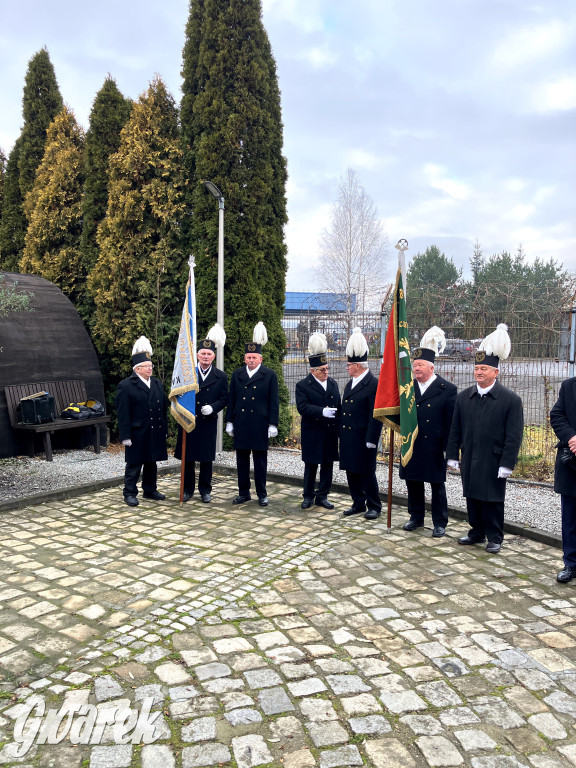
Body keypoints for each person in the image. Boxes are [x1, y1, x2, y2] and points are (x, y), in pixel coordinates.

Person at [446, 324, 524, 554]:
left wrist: (507, 463)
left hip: (494, 459)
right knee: (471, 495)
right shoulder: (464, 397)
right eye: (477, 368)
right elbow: (455, 429)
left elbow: (514, 435)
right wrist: (452, 455)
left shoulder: (510, 400)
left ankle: (494, 536)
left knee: (492, 499)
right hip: (470, 455)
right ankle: (476, 531)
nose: (479, 372)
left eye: (484, 369)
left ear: (495, 373)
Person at [400, 326, 457, 538]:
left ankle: (439, 522)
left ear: (431, 367)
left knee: (436, 485)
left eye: (420, 365)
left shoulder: (447, 389)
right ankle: (415, 517)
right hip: (413, 443)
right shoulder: (408, 389)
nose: (415, 369)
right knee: (413, 482)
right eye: (414, 366)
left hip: (434, 445)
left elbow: (452, 423)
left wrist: (450, 451)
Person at [226, 322, 279, 507]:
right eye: (248, 357)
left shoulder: (269, 375)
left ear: (261, 358)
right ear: (244, 358)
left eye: (254, 357)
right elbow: (231, 398)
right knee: (241, 461)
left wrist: (273, 424)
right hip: (241, 422)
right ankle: (243, 493)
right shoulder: (237, 374)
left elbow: (274, 401)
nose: (251, 360)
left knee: (260, 461)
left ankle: (262, 493)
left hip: (260, 423)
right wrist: (229, 421)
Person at [174, 324, 228, 503]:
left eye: (209, 354)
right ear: (197, 354)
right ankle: (187, 489)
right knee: (188, 457)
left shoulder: (221, 376)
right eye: (203, 353)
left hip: (208, 421)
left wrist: (213, 407)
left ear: (214, 356)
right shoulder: (187, 374)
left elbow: (224, 398)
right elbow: (178, 392)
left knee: (206, 458)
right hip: (189, 418)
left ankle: (205, 489)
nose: (206, 357)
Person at [116, 336, 168, 507]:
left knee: (151, 461)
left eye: (151, 366)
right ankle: (129, 492)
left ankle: (150, 489)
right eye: (147, 367)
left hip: (154, 429)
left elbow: (163, 408)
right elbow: (123, 412)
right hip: (137, 431)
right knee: (134, 463)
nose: (150, 369)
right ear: (137, 368)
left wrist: (164, 428)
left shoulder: (157, 384)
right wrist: (125, 435)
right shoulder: (126, 385)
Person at [339, 327, 383, 520]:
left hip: (364, 436)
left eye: (349, 364)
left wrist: (372, 439)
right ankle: (358, 502)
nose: (347, 367)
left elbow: (376, 414)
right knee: (351, 471)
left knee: (366, 473)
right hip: (350, 436)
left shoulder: (373, 384)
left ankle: (374, 505)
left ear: (357, 365)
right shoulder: (351, 383)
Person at [295, 332, 341, 510]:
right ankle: (308, 495)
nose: (326, 372)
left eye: (327, 368)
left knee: (327, 465)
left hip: (329, 431)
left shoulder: (333, 384)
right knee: (311, 465)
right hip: (313, 431)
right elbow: (302, 407)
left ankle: (323, 495)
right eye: (322, 370)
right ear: (312, 371)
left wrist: (337, 424)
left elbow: (338, 405)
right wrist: (322, 411)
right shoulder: (303, 385)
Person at [550, 378, 576, 583]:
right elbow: (557, 415)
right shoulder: (569, 386)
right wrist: (571, 437)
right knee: (570, 518)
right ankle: (571, 563)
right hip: (571, 463)